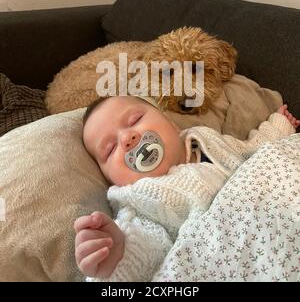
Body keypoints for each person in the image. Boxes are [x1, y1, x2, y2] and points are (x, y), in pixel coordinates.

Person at [74, 96, 299, 281]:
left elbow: (252, 152)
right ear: (113, 181)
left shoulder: (206, 142)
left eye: (136, 119)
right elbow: (145, 252)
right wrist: (116, 256)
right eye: (111, 149)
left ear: (171, 125)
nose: (128, 138)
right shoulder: (139, 202)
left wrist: (278, 125)